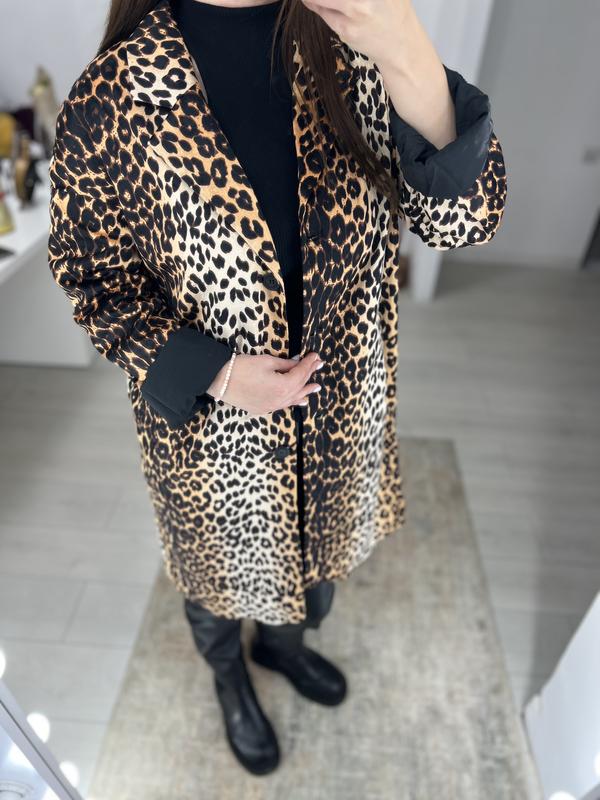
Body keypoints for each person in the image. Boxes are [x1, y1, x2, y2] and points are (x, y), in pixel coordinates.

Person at [47, 0, 507, 775]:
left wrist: (406, 46)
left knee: (317, 572)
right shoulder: (114, 94)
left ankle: (283, 647)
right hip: (213, 440)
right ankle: (229, 675)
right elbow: (93, 283)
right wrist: (220, 374)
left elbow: (464, 223)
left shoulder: (356, 39)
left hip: (339, 412)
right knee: (218, 580)